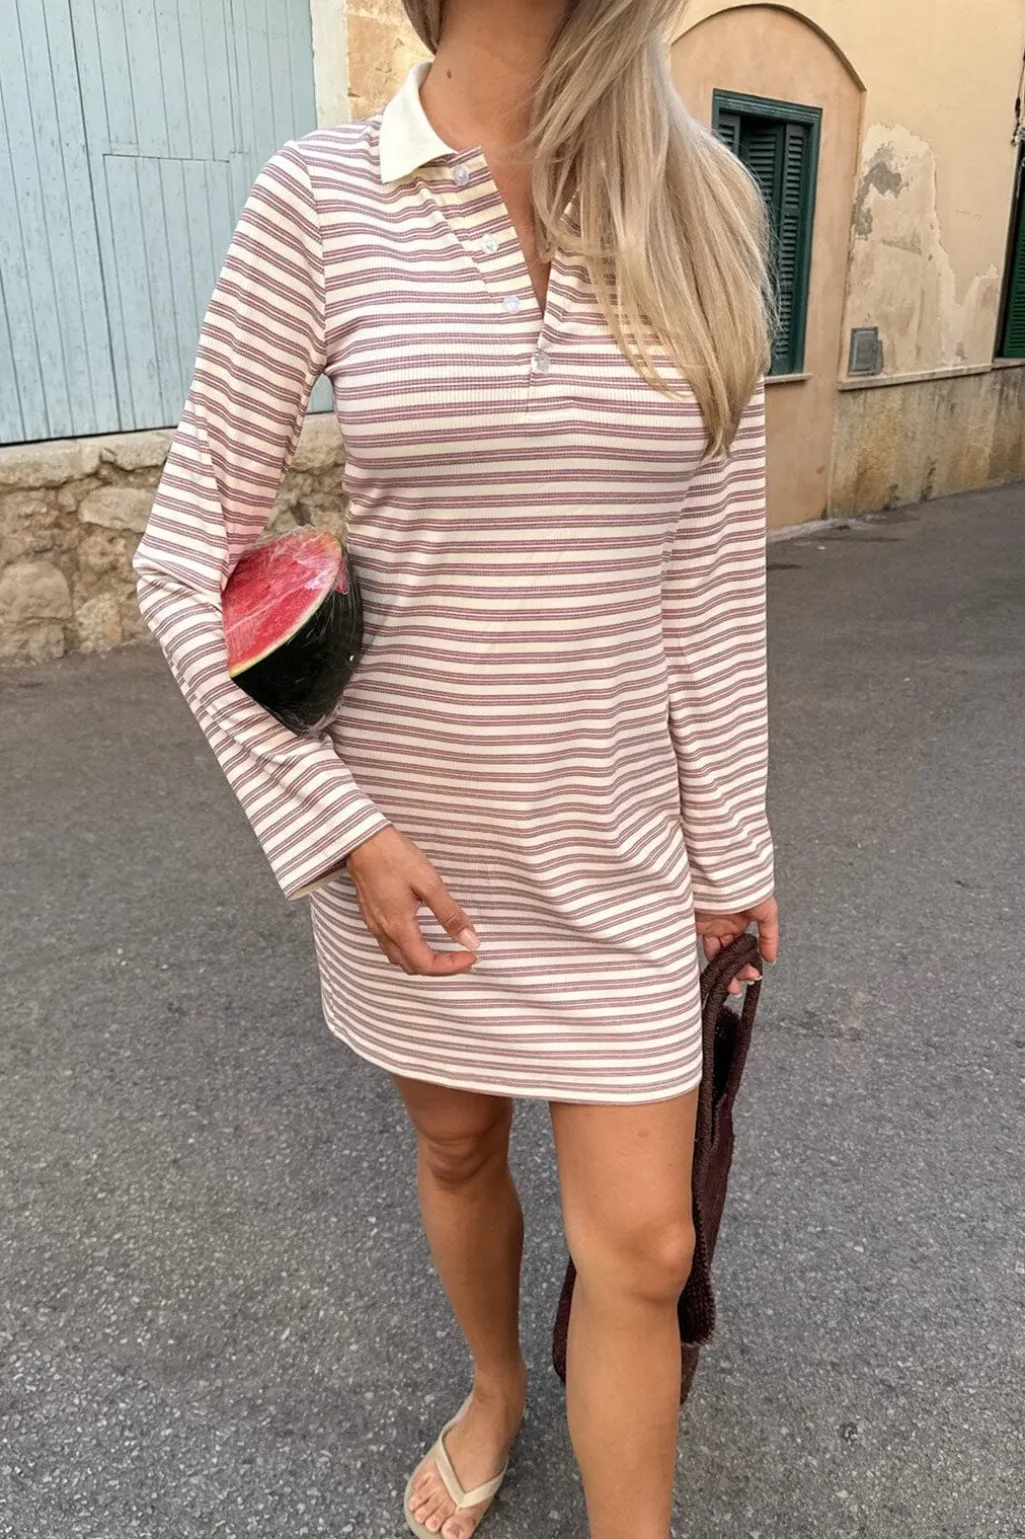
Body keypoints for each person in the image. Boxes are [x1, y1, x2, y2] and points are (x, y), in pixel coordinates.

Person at [133, 1, 780, 1535]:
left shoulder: (706, 202)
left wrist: (735, 856)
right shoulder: (320, 196)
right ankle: (496, 1383)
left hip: (622, 853)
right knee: (458, 1139)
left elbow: (707, 586)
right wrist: (338, 826)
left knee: (647, 1244)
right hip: (411, 852)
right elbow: (181, 562)